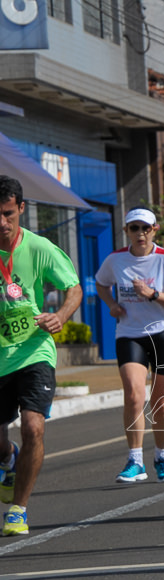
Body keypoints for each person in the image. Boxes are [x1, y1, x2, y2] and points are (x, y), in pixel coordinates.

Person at [0, 175, 82, 536]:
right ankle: (7, 457)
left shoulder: (39, 247)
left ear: (21, 208)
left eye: (7, 214)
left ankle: (18, 510)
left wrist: (60, 316)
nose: (1, 223)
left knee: (34, 425)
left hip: (34, 350)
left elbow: (73, 288)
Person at [96, 207, 164, 484]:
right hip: (130, 333)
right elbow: (101, 284)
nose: (140, 233)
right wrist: (112, 305)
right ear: (127, 232)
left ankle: (161, 458)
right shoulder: (115, 260)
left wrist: (153, 294)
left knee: (162, 403)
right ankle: (135, 460)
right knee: (134, 395)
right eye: (134, 228)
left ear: (154, 230)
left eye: (145, 228)